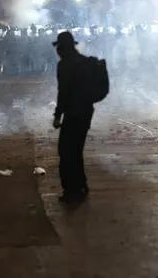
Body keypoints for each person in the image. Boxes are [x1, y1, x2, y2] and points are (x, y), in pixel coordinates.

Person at [52, 31, 95, 202]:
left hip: (74, 113)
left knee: (66, 151)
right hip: (86, 112)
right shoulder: (84, 62)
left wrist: (57, 116)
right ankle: (81, 184)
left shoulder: (65, 65)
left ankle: (71, 189)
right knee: (76, 150)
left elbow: (63, 93)